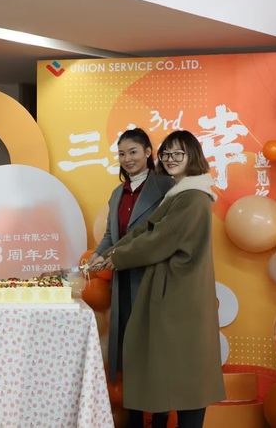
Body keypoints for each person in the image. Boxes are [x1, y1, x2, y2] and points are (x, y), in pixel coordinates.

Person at [94, 130, 225, 428]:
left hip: (180, 291)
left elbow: (161, 238)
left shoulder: (191, 196)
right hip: (169, 288)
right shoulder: (177, 193)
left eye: (178, 153)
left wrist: (117, 257)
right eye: (167, 154)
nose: (170, 159)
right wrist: (110, 253)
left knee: (187, 371)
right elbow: (144, 232)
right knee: (165, 366)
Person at [87, 128, 174, 428]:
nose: (127, 159)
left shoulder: (166, 186)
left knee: (157, 354)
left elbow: (165, 235)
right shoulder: (117, 193)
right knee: (131, 356)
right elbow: (111, 236)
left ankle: (160, 420)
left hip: (154, 280)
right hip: (123, 282)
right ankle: (136, 419)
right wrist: (97, 256)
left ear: (148, 152)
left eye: (133, 152)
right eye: (122, 154)